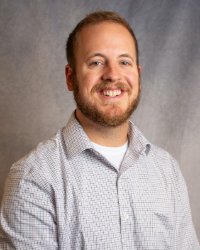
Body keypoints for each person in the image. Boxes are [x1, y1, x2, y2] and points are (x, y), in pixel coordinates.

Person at [0, 11, 199, 250]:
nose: (113, 75)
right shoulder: (33, 178)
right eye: (96, 62)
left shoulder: (167, 171)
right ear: (71, 77)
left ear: (138, 74)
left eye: (124, 62)